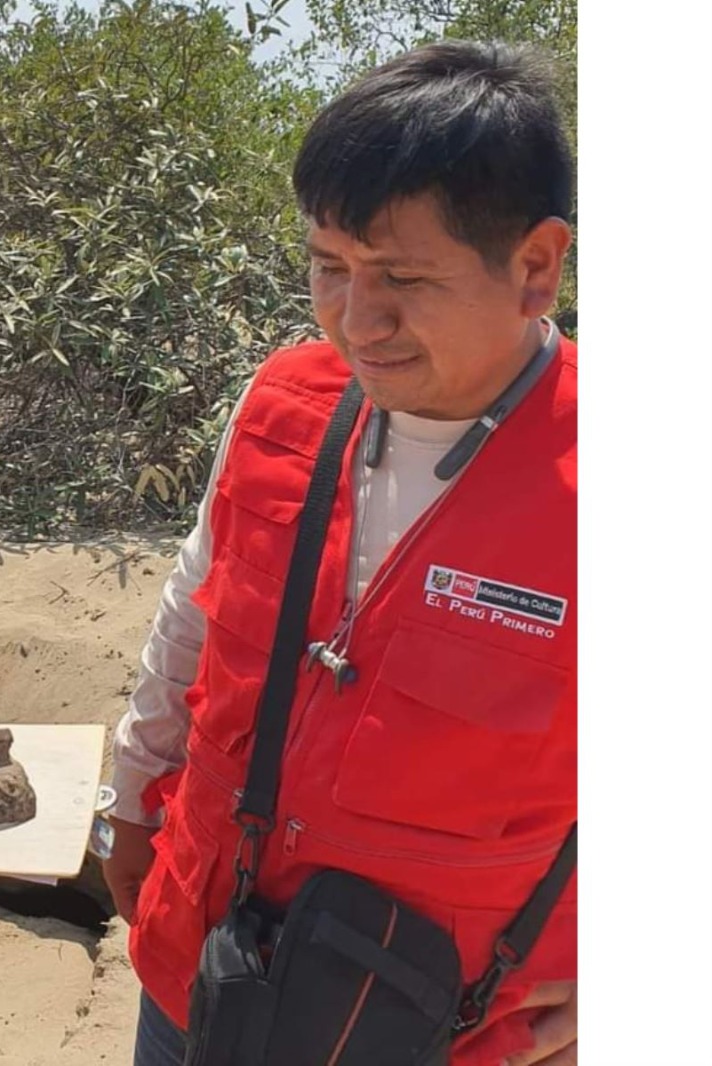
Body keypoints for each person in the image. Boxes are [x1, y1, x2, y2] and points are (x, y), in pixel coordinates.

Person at [102, 41, 577, 1066]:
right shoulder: (284, 401)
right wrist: (128, 800)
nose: (355, 321)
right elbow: (194, 611)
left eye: (401, 276)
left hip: (445, 1022)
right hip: (207, 960)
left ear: (534, 265)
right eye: (328, 266)